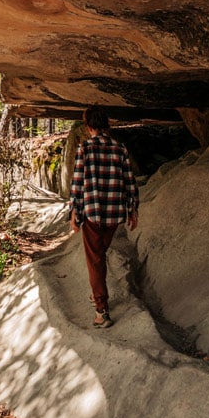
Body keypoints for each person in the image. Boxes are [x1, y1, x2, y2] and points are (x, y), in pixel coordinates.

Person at [69, 106, 139, 329]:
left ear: (88, 126)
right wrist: (133, 209)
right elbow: (130, 181)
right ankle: (98, 294)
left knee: (95, 259)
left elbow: (78, 183)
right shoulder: (119, 148)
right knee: (99, 255)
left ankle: (101, 311)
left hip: (93, 213)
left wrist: (74, 212)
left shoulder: (84, 149)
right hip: (115, 214)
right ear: (106, 125)